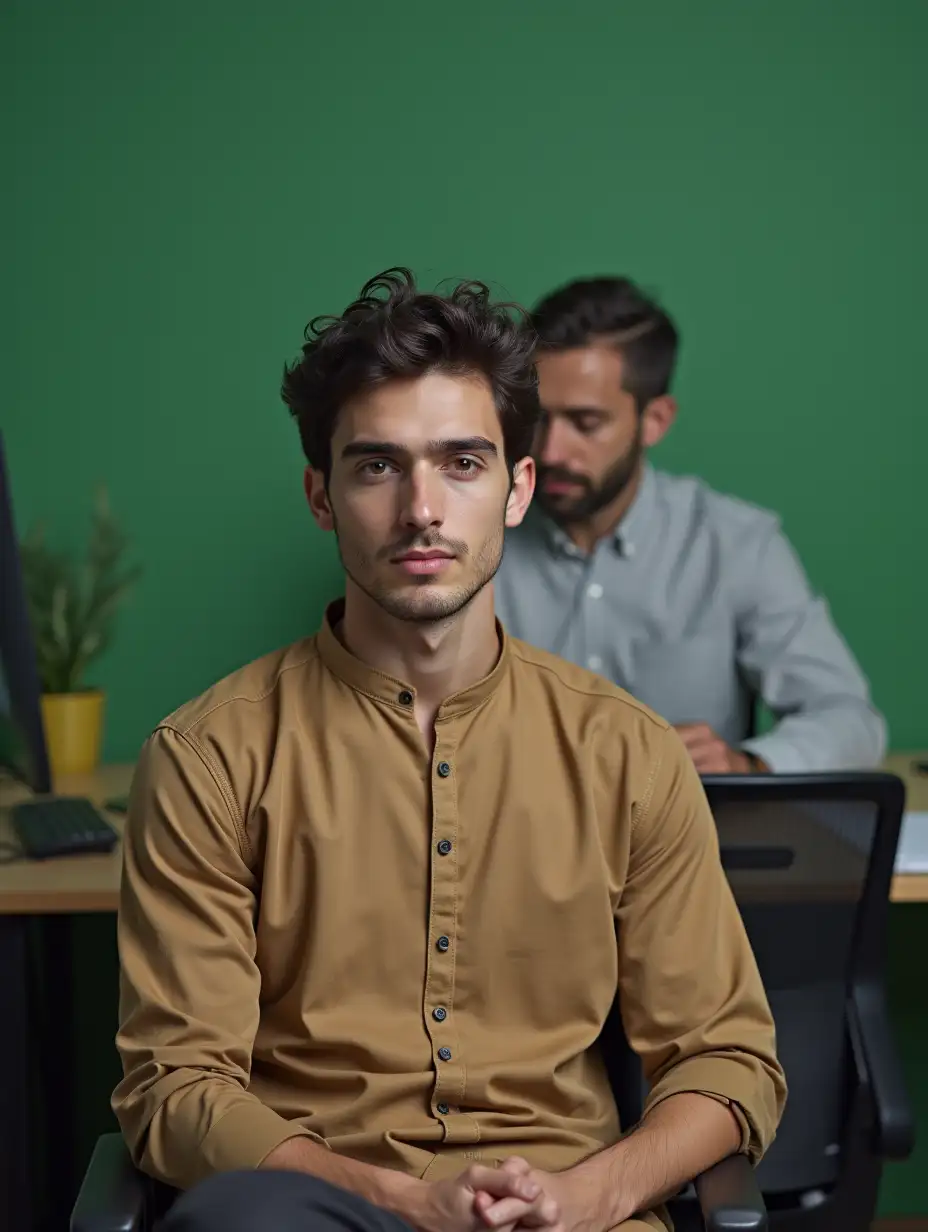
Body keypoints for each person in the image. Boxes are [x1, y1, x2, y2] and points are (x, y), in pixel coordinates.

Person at [113, 269, 785, 1232]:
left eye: (462, 463)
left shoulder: (628, 753)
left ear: (516, 488)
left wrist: (591, 1194)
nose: (422, 508)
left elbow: (727, 1061)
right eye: (378, 465)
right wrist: (401, 1202)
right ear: (321, 493)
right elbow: (176, 1088)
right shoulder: (207, 757)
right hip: (320, 1212)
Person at [494, 276, 887, 775]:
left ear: (654, 420)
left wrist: (747, 765)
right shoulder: (474, 539)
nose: (549, 451)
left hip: (694, 842)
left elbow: (850, 720)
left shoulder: (737, 544)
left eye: (586, 423)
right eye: (538, 419)